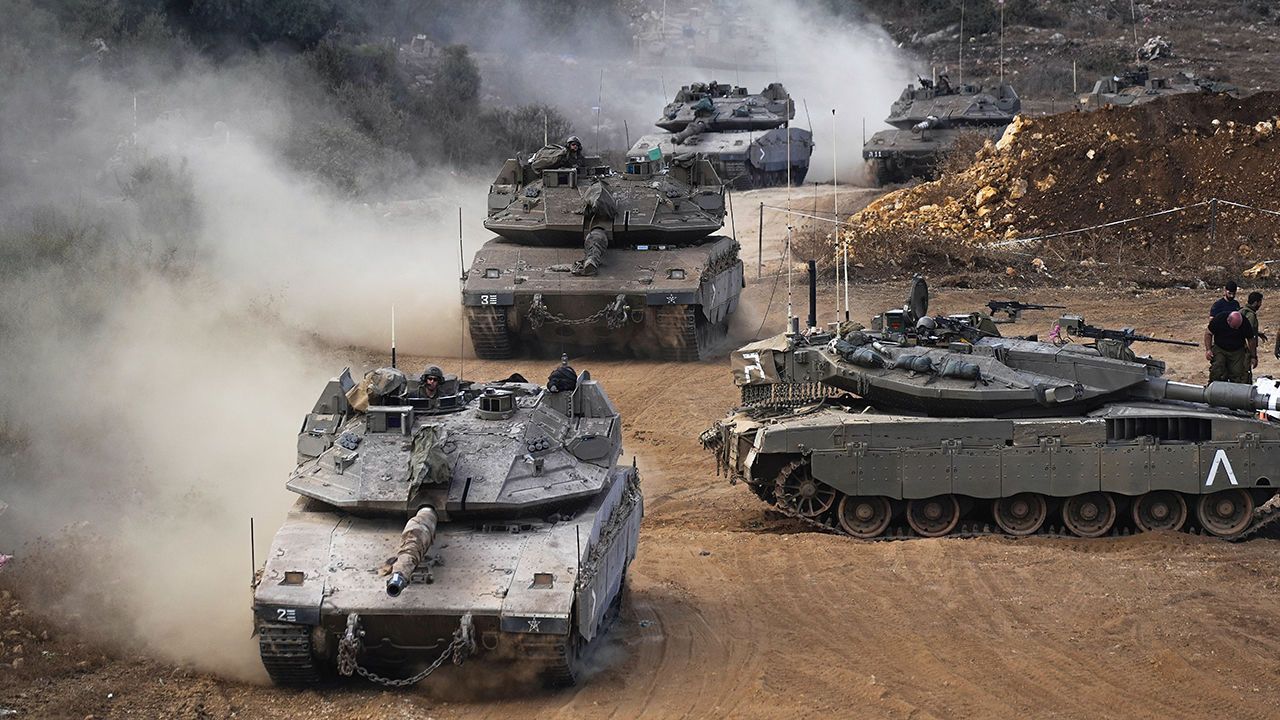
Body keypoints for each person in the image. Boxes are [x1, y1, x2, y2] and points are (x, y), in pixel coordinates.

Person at [1204, 310, 1256, 383]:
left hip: (1237, 350)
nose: (1236, 329)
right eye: (1234, 327)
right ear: (1228, 321)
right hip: (1220, 348)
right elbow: (1208, 333)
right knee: (1218, 369)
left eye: (1238, 327)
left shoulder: (1245, 322)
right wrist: (1208, 350)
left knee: (1238, 373)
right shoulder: (1219, 319)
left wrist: (1253, 356)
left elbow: (1251, 340)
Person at [1241, 292, 1265, 382]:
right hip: (1245, 350)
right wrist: (1253, 356)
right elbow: (1249, 337)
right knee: (1245, 374)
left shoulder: (1242, 311)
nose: (1260, 305)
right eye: (1260, 302)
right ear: (1255, 303)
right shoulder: (1251, 315)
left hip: (1238, 348)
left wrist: (1257, 333)